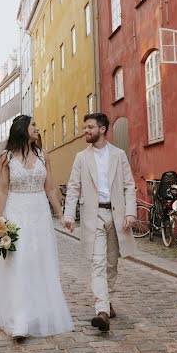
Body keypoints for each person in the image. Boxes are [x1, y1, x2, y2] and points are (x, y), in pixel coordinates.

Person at [0, 115, 74, 340]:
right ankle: (18, 320)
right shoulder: (6, 157)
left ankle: (38, 314)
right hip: (16, 212)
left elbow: (51, 188)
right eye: (34, 124)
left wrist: (61, 215)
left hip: (39, 214)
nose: (38, 128)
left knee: (39, 262)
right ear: (22, 129)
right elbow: (3, 190)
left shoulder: (44, 156)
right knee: (18, 263)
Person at [64, 113, 137, 332]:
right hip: (93, 216)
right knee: (97, 263)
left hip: (117, 216)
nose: (85, 131)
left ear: (102, 129)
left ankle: (107, 301)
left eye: (89, 127)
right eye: (85, 127)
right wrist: (69, 215)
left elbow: (129, 185)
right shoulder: (81, 157)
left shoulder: (119, 155)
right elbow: (73, 187)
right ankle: (102, 311)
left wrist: (130, 212)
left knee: (111, 264)